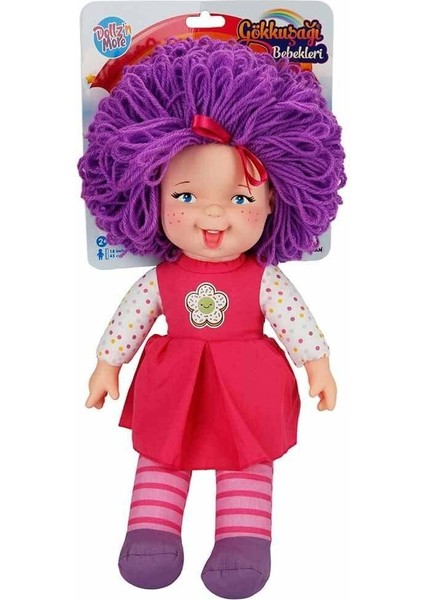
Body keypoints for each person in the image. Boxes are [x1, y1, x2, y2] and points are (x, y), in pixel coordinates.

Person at [78, 36, 345, 599]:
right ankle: (151, 532)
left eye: (241, 199)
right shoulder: (161, 279)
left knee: (247, 457)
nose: (214, 213)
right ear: (151, 197)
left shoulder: (264, 278)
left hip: (247, 384)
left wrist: (316, 364)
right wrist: (107, 365)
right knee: (162, 451)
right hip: (172, 383)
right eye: (185, 196)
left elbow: (295, 320)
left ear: (274, 203)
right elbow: (131, 318)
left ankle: (242, 542)